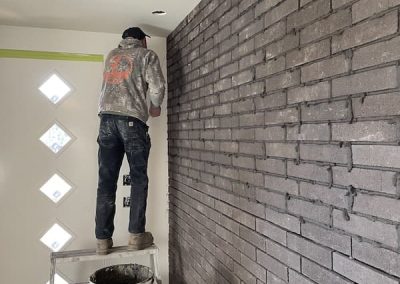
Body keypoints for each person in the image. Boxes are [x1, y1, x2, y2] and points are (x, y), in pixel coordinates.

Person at [95, 27, 165, 255]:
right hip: (131, 121)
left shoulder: (111, 55)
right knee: (137, 179)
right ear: (143, 40)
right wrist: (155, 106)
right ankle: (136, 235)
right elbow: (157, 85)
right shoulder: (147, 55)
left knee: (106, 182)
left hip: (105, 121)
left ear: (124, 40)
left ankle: (103, 240)